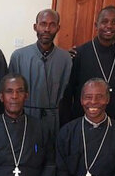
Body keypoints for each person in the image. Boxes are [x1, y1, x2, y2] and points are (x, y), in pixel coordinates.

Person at [9, 9, 72, 141]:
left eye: (52, 24)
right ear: (35, 26)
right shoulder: (19, 56)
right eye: (43, 24)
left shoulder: (65, 58)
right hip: (24, 118)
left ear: (58, 27)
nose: (47, 29)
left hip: (53, 120)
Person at [62, 6, 115, 123]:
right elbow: (68, 94)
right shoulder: (80, 53)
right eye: (104, 22)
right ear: (96, 25)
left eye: (114, 22)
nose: (109, 26)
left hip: (114, 117)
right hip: (82, 117)